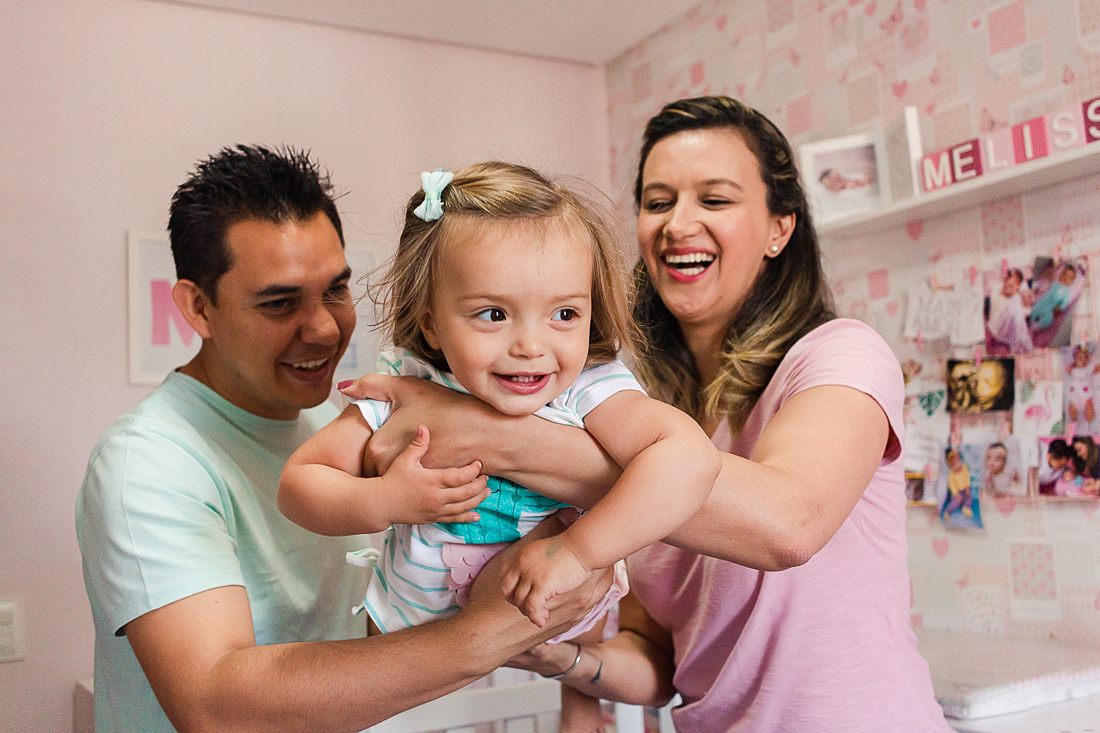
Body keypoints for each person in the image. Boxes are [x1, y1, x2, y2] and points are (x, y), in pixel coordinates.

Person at [342, 97, 951, 731]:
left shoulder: (839, 353)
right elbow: (660, 661)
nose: (677, 224)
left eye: (713, 200)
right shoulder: (633, 411)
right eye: (658, 203)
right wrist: (563, 661)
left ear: (780, 228)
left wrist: (481, 433)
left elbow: (788, 523)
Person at [75, 145, 609, 733]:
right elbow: (214, 707)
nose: (327, 327)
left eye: (335, 290)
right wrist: (488, 633)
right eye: (279, 302)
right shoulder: (145, 462)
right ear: (198, 308)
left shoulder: (328, 422)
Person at [278, 161, 719, 733]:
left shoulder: (591, 388)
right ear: (433, 324)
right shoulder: (410, 388)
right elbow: (299, 485)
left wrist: (578, 552)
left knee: (574, 559)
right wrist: (388, 499)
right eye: (493, 314)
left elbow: (689, 456)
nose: (532, 346)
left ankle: (580, 711)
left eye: (564, 314)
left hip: (553, 613)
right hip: (407, 633)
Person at [986, 268, 1032, 353]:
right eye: (1006, 283)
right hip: (999, 337)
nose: (1008, 285)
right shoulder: (996, 296)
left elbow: (1026, 297)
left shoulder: (1017, 298)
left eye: (1012, 284)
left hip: (1013, 341)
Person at [1029, 263, 1076, 331]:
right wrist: (1043, 285)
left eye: (1070, 277)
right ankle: (1031, 322)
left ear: (1072, 282)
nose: (1066, 278)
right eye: (1065, 274)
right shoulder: (1055, 283)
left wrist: (1060, 308)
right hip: (1042, 302)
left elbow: (1065, 302)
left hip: (1050, 308)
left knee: (1048, 321)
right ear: (1061, 275)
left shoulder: (1067, 293)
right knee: (1034, 311)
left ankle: (1035, 326)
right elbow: (1046, 286)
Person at [942, 448, 974, 519]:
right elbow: (952, 486)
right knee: (955, 502)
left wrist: (968, 488)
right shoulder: (951, 475)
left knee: (969, 497)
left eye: (958, 461)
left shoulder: (964, 468)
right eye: (953, 464)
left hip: (965, 489)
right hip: (957, 492)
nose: (957, 465)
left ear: (960, 460)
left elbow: (967, 478)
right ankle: (948, 512)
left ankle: (966, 507)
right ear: (950, 466)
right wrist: (957, 494)